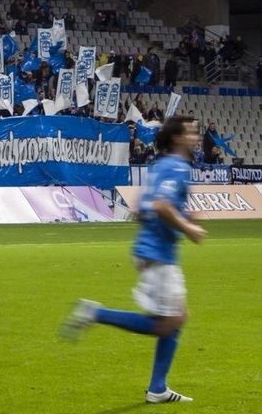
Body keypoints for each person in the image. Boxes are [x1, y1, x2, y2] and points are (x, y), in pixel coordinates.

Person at [61, 116, 207, 404]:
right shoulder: (176, 167)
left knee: (178, 317)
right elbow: (161, 205)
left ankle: (158, 388)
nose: (196, 137)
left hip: (152, 250)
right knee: (167, 323)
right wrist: (188, 227)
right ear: (178, 138)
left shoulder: (161, 166)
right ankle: (96, 314)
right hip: (158, 253)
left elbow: (142, 208)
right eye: (191, 132)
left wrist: (183, 216)